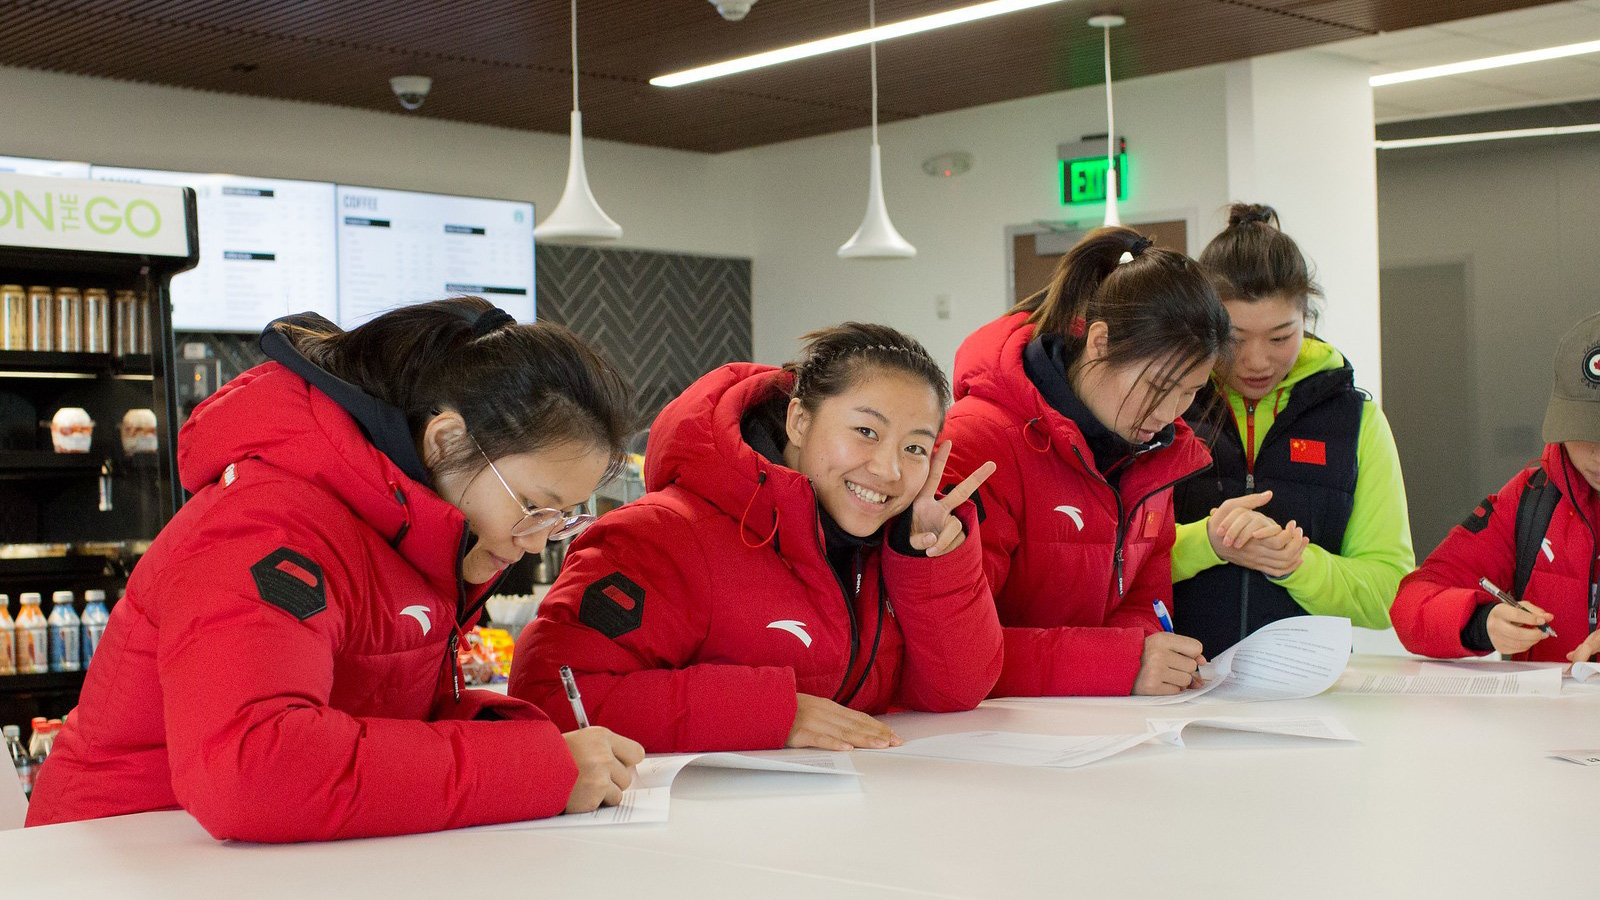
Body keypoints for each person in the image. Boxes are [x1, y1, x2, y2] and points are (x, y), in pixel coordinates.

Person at [26, 298, 645, 842]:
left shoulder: (405, 537)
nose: (537, 543)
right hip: (110, 862)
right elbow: (255, 768)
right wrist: (536, 770)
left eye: (560, 519)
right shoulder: (265, 528)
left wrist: (522, 739)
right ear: (444, 441)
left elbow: (366, 720)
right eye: (534, 506)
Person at [510, 323, 1004, 752]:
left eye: (915, 447)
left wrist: (934, 562)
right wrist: (773, 713)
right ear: (799, 420)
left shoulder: (895, 542)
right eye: (866, 432)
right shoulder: (662, 535)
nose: (890, 469)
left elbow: (956, 691)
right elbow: (553, 696)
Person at [941, 227, 1231, 697]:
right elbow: (953, 652)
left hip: (1100, 729)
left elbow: (1142, 601)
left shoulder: (1156, 454)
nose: (1167, 415)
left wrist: (1148, 654)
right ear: (1099, 342)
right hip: (985, 745)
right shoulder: (981, 441)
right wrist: (1122, 664)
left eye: (1190, 393)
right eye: (1157, 387)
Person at [1170, 204, 1414, 654]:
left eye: (1281, 337)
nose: (1257, 362)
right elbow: (1111, 564)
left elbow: (1389, 593)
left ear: (1307, 320)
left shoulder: (1357, 423)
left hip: (1308, 695)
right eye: (1234, 339)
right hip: (1174, 689)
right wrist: (1208, 543)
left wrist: (1296, 564)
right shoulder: (1164, 411)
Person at [1392, 311, 1600, 663]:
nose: (1597, 454)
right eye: (1582, 430)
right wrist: (1481, 621)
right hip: (1542, 717)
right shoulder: (1529, 499)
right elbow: (1412, 603)